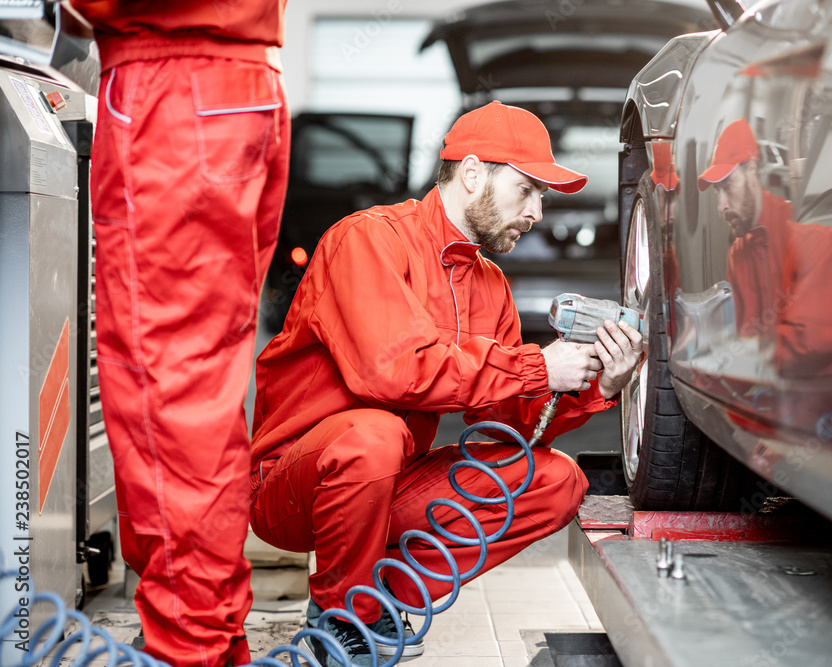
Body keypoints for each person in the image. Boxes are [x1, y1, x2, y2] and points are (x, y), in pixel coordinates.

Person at [248, 101, 643, 666]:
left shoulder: (491, 285)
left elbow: (514, 427)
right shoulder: (368, 240)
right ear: (474, 172)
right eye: (527, 190)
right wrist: (537, 366)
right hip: (294, 486)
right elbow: (392, 371)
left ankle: (380, 593)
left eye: (543, 198)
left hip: (393, 481)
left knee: (556, 480)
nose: (536, 212)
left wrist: (601, 385)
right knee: (374, 434)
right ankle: (343, 615)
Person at [68, 2, 290, 666]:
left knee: (164, 397)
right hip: (232, 94)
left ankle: (186, 648)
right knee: (198, 390)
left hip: (173, 95)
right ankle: (213, 639)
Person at [698, 118, 793, 345]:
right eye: (717, 191)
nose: (722, 206)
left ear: (752, 169)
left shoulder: (796, 229)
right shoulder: (738, 253)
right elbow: (747, 341)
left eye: (728, 185)